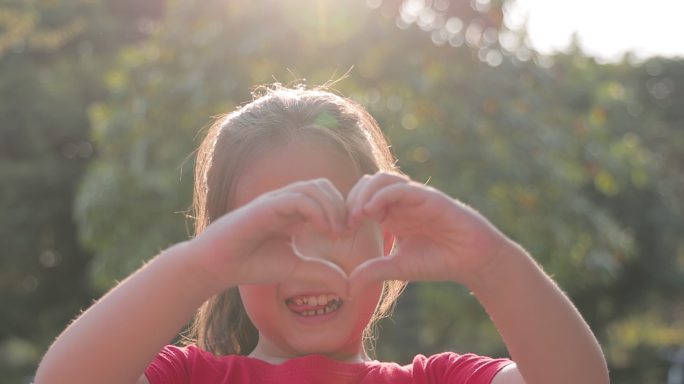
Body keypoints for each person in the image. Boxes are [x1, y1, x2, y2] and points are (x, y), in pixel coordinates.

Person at [34, 85, 609, 384]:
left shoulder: (439, 382)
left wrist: (491, 264)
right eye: (271, 230)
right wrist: (197, 267)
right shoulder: (189, 379)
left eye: (334, 222)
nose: (306, 259)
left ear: (387, 238)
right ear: (226, 253)